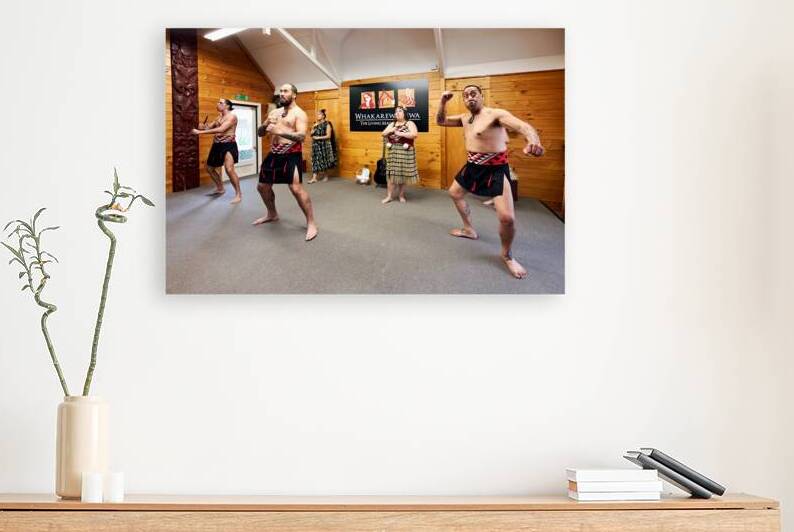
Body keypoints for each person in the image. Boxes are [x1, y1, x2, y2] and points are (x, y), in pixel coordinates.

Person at [436, 85, 544, 279]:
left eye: (473, 94)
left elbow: (523, 127)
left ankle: (507, 255)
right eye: (466, 95)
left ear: (481, 96)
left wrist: (533, 140)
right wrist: (443, 102)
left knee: (507, 218)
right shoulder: (464, 118)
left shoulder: (495, 114)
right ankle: (469, 229)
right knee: (454, 192)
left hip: (495, 169)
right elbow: (441, 121)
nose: (470, 97)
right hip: (472, 166)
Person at [253, 83, 318, 242]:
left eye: (285, 91)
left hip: (291, 154)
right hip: (273, 153)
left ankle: (311, 223)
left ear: (294, 95)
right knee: (262, 186)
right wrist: (265, 124)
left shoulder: (299, 114)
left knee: (296, 188)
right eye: (280, 91)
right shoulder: (274, 112)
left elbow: (301, 136)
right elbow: (260, 133)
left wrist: (280, 131)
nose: (282, 93)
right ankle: (272, 214)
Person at [191, 98, 242, 204]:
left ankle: (238, 194)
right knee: (209, 168)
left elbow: (221, 129)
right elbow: (209, 127)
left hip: (228, 145)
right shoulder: (219, 117)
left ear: (227, 106)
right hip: (217, 145)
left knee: (229, 169)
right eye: (218, 102)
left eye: (220, 103)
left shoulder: (232, 117)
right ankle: (220, 188)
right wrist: (203, 127)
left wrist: (200, 132)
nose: (218, 104)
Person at [380, 106, 419, 204]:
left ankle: (401, 195)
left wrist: (400, 133)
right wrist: (391, 130)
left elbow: (414, 134)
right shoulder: (392, 124)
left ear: (404, 113)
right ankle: (389, 196)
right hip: (393, 151)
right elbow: (383, 133)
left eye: (400, 111)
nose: (397, 113)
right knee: (391, 174)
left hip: (405, 151)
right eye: (396, 111)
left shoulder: (409, 123)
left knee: (402, 174)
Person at [307, 109, 336, 184]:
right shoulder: (315, 124)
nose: (317, 116)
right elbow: (311, 134)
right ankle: (314, 178)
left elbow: (328, 136)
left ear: (323, 116)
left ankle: (326, 175)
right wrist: (313, 127)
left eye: (319, 114)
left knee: (324, 159)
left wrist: (318, 138)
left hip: (324, 145)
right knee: (315, 160)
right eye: (317, 114)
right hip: (315, 145)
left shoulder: (327, 124)